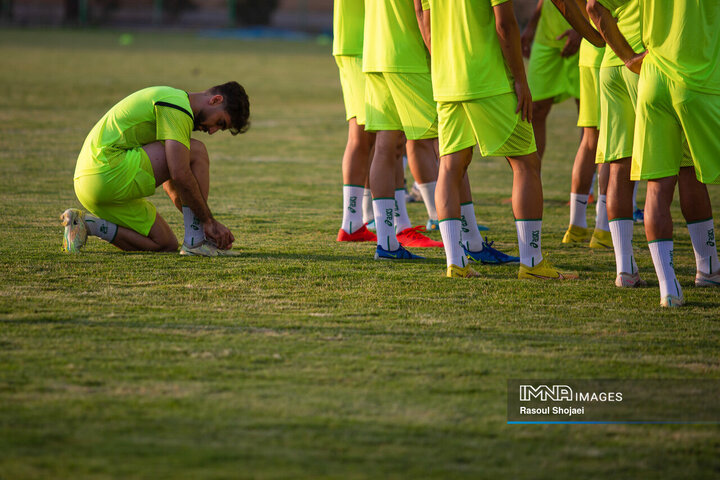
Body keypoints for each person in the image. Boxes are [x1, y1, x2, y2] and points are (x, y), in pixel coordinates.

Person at [418, 0, 576, 279]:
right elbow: (504, 23)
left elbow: (426, 24)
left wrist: (449, 69)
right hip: (489, 80)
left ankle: (455, 263)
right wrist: (520, 79)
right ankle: (532, 263)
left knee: (450, 168)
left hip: (447, 82)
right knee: (526, 163)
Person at [588, 0, 720, 305]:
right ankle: (708, 267)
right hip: (692, 78)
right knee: (690, 172)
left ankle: (667, 288)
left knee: (653, 183)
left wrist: (625, 55)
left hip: (648, 74)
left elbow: (593, 6)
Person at [61, 82, 250, 256]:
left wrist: (201, 223)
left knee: (164, 244)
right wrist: (207, 222)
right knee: (197, 151)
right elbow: (179, 174)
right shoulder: (177, 106)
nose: (212, 131)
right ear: (216, 100)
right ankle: (196, 242)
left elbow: (173, 185)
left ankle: (85, 224)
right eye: (220, 123)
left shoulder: (172, 105)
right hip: (106, 170)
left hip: (88, 186)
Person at [333, 0, 377, 243]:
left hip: (362, 44)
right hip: (359, 45)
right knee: (362, 134)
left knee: (372, 135)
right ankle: (351, 224)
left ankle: (363, 220)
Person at [521, 0, 581, 160]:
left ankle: (593, 179)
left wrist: (582, 29)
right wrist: (533, 23)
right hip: (547, 36)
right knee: (534, 109)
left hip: (587, 37)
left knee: (589, 118)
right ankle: (534, 176)